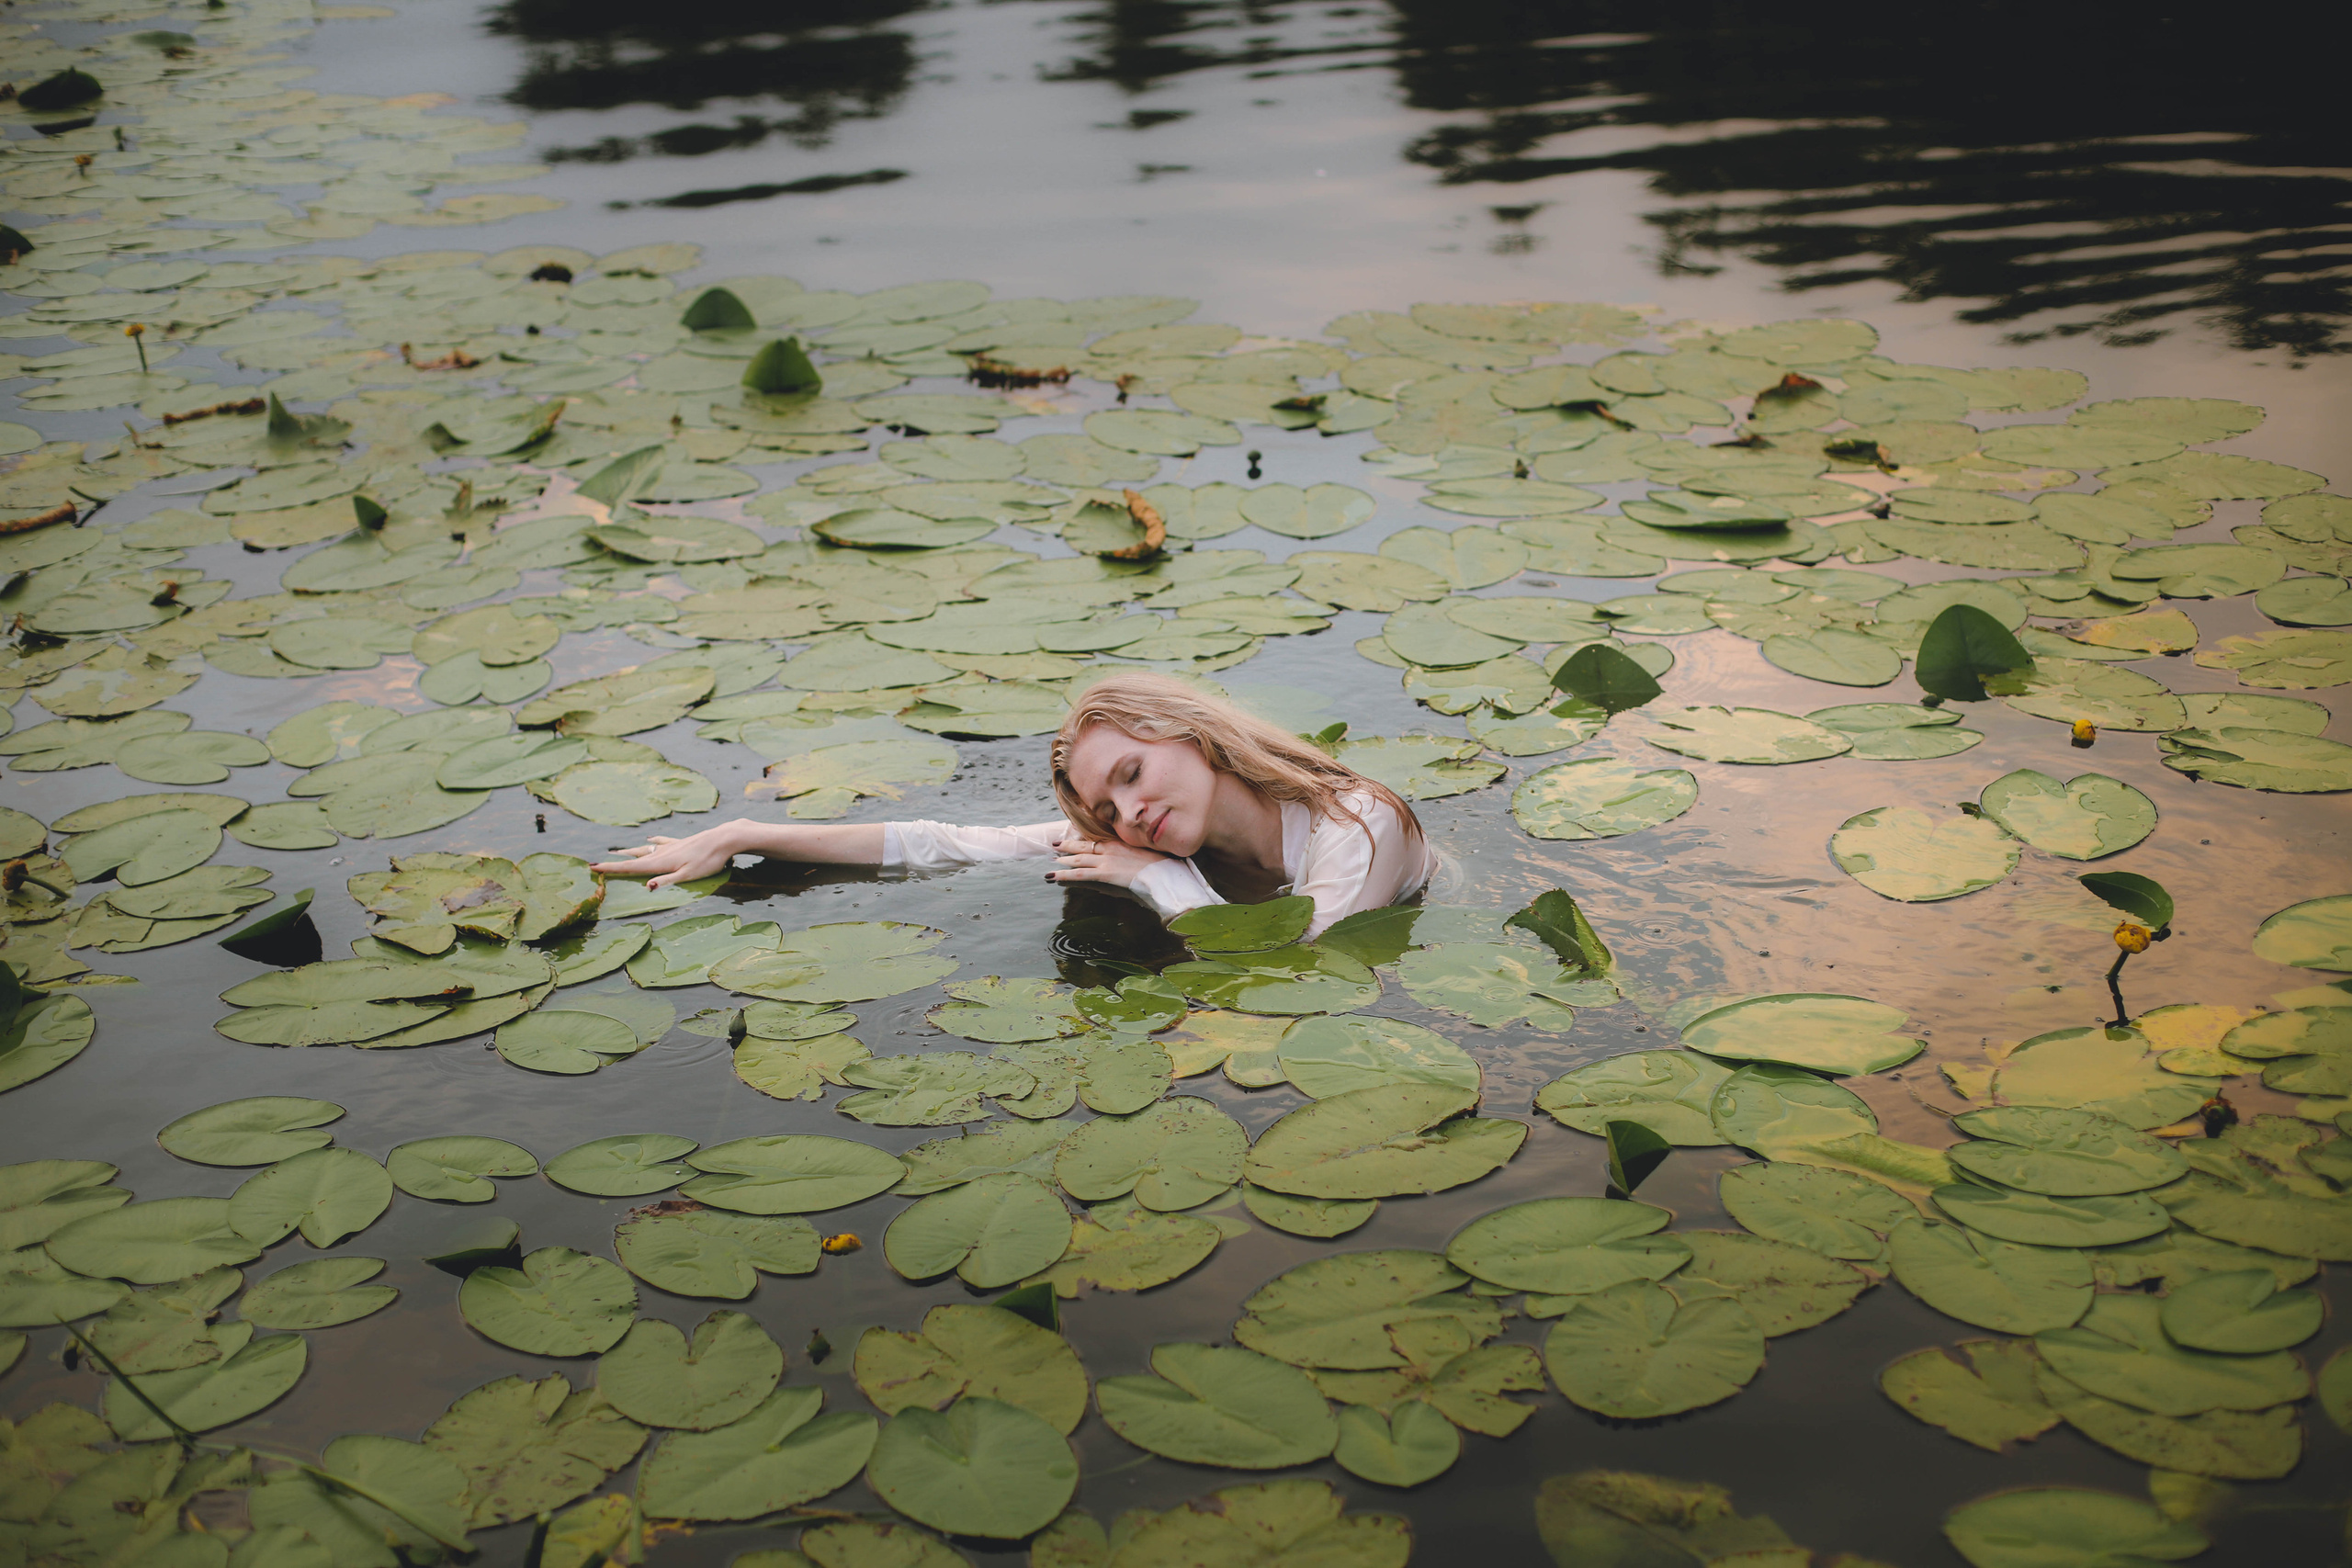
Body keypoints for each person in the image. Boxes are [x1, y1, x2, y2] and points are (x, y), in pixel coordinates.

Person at [591, 671, 1437, 938]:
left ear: (1194, 736)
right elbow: (952, 844)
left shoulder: (1356, 823)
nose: (1127, 814)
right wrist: (745, 832)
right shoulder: (1170, 842)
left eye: (1134, 773)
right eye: (1106, 809)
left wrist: (1157, 884)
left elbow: (1313, 967)